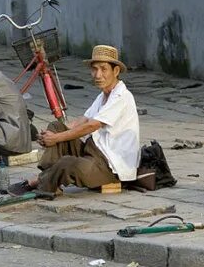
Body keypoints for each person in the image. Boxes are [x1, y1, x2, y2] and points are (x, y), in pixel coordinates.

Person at [9, 45, 140, 197]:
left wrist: (56, 138)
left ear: (115, 71)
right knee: (56, 126)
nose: (98, 75)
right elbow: (82, 121)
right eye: (94, 69)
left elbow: (92, 125)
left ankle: (38, 181)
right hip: (93, 153)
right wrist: (49, 136)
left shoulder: (121, 96)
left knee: (67, 162)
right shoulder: (103, 96)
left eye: (103, 69)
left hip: (110, 167)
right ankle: (50, 179)